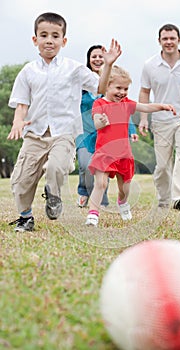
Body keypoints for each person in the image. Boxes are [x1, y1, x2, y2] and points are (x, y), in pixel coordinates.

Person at [7, 12, 121, 232]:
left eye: (55, 35)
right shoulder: (28, 71)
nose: (49, 40)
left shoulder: (74, 69)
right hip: (35, 134)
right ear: (35, 40)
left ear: (63, 41)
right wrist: (17, 122)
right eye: (44, 35)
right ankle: (26, 217)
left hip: (64, 132)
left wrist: (107, 66)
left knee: (57, 167)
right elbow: (21, 104)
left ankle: (54, 195)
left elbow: (100, 87)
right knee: (20, 181)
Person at [85, 65, 176, 227]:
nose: (122, 92)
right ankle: (93, 215)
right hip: (104, 153)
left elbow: (145, 107)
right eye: (118, 88)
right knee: (101, 183)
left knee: (124, 188)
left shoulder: (126, 103)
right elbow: (97, 123)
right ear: (107, 86)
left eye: (126, 89)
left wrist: (162, 106)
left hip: (123, 155)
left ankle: (123, 202)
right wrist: (102, 121)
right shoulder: (99, 103)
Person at [138, 24, 180, 210]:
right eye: (165, 39)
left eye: (172, 38)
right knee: (162, 166)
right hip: (161, 120)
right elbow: (144, 92)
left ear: (179, 40)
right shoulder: (149, 65)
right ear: (159, 41)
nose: (169, 42)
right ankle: (164, 200)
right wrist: (144, 119)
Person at [76, 45, 138, 208]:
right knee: (84, 163)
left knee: (105, 165)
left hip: (105, 132)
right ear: (88, 60)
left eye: (100, 56)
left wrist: (131, 129)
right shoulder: (81, 83)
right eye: (93, 56)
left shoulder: (113, 84)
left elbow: (123, 109)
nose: (97, 59)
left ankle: (101, 200)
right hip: (85, 131)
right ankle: (83, 190)